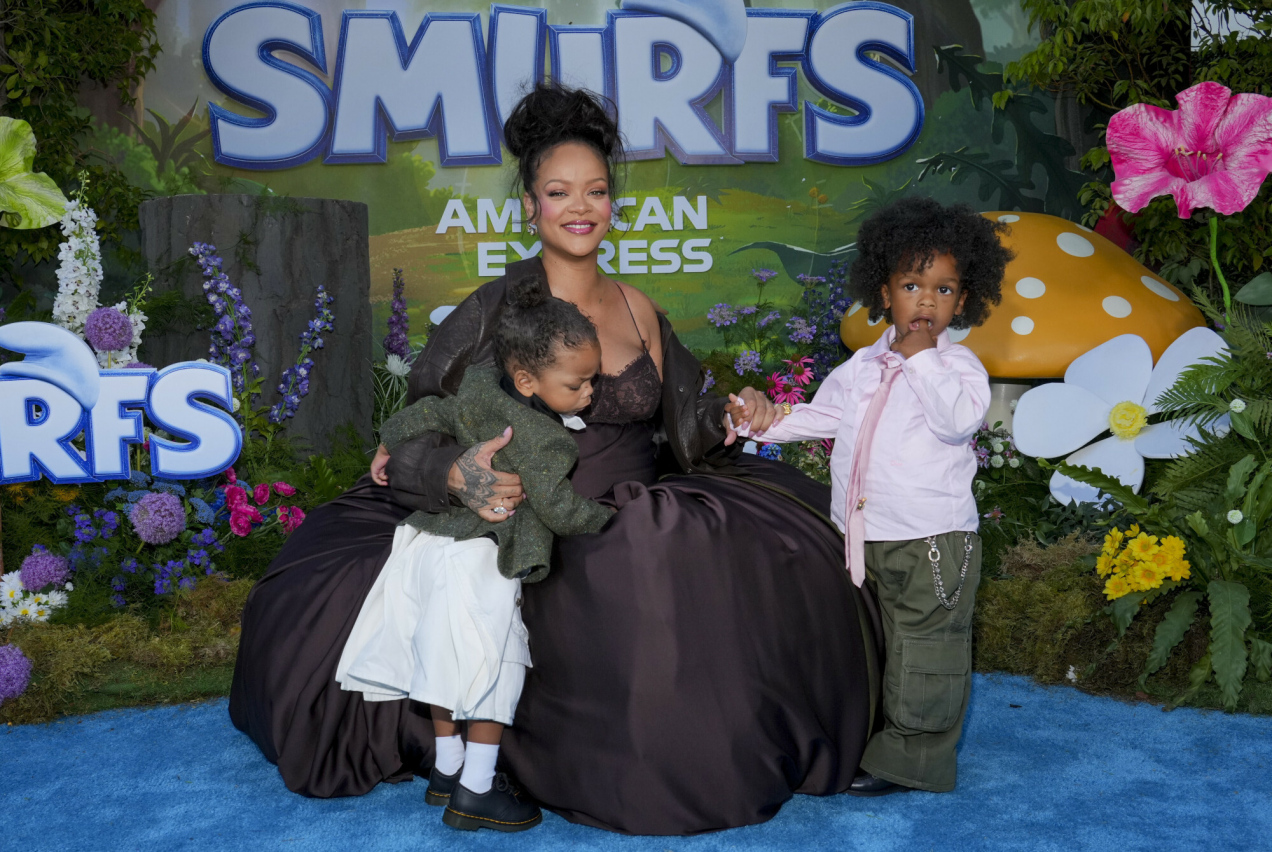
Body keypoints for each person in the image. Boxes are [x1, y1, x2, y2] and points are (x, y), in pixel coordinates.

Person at [229, 83, 880, 835]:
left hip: (630, 497)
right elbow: (415, 426)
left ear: (612, 204)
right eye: (559, 191)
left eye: (596, 191)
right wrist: (455, 473)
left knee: (773, 539)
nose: (580, 207)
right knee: (641, 555)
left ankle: (749, 738)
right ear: (530, 205)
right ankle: (511, 765)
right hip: (527, 509)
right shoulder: (494, 308)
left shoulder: (638, 308)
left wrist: (738, 411)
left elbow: (688, 418)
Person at [733, 196, 1012, 796]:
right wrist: (759, 423)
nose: (927, 302)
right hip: (864, 535)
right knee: (882, 644)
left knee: (927, 649)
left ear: (963, 301)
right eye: (912, 286)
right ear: (885, 294)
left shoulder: (959, 367)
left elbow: (957, 422)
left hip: (932, 539)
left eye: (943, 290)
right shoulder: (862, 365)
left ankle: (914, 761)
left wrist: (922, 362)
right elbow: (821, 416)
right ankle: (876, 734)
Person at [337, 285, 614, 832]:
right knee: (495, 665)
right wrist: (604, 518)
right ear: (527, 381)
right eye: (577, 384)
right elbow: (557, 509)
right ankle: (478, 790)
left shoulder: (479, 385)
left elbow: (430, 409)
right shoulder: (544, 440)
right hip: (479, 557)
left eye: (592, 381)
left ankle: (447, 769)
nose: (588, 393)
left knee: (442, 658)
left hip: (426, 543)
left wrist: (389, 442)